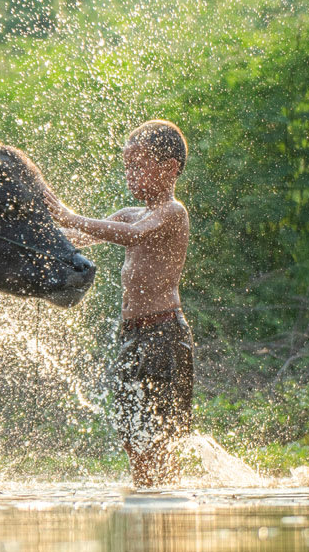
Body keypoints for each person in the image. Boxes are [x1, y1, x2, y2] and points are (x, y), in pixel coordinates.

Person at [55, 119, 193, 487]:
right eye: (127, 167)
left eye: (139, 166)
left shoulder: (172, 212)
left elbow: (130, 236)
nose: (130, 176)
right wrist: (37, 229)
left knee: (160, 433)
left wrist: (69, 215)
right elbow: (76, 237)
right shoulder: (131, 213)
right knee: (132, 429)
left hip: (165, 333)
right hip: (132, 334)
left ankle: (164, 501)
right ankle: (148, 492)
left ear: (169, 168)